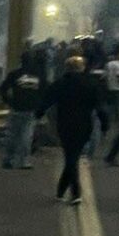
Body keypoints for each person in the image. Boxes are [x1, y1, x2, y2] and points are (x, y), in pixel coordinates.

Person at [36, 55, 109, 205]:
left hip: (64, 124)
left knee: (70, 156)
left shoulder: (61, 83)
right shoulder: (91, 83)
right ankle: (69, 192)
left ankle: (68, 191)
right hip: (84, 124)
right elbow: (100, 107)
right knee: (73, 156)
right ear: (82, 67)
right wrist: (105, 124)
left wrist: (38, 114)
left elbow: (47, 100)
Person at [0, 50, 45, 170]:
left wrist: (9, 101)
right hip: (31, 110)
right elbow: (45, 91)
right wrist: (40, 105)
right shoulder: (39, 75)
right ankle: (24, 161)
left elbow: (3, 89)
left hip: (16, 108)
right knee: (26, 137)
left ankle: (8, 159)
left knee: (11, 136)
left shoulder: (15, 74)